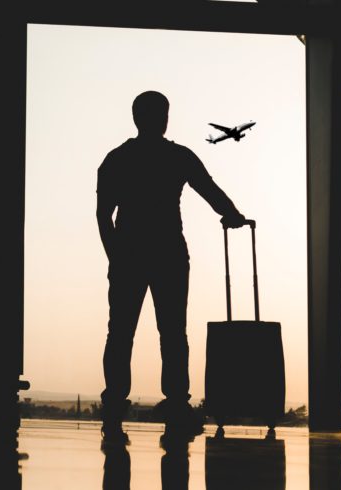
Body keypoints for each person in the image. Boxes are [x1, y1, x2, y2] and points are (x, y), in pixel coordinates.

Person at [96, 90, 247, 443]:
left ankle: (115, 401)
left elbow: (104, 215)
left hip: (129, 254)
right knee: (173, 333)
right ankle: (177, 403)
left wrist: (114, 256)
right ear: (164, 118)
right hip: (168, 253)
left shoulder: (117, 159)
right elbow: (208, 189)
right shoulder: (177, 156)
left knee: (120, 333)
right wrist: (233, 215)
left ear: (136, 118)